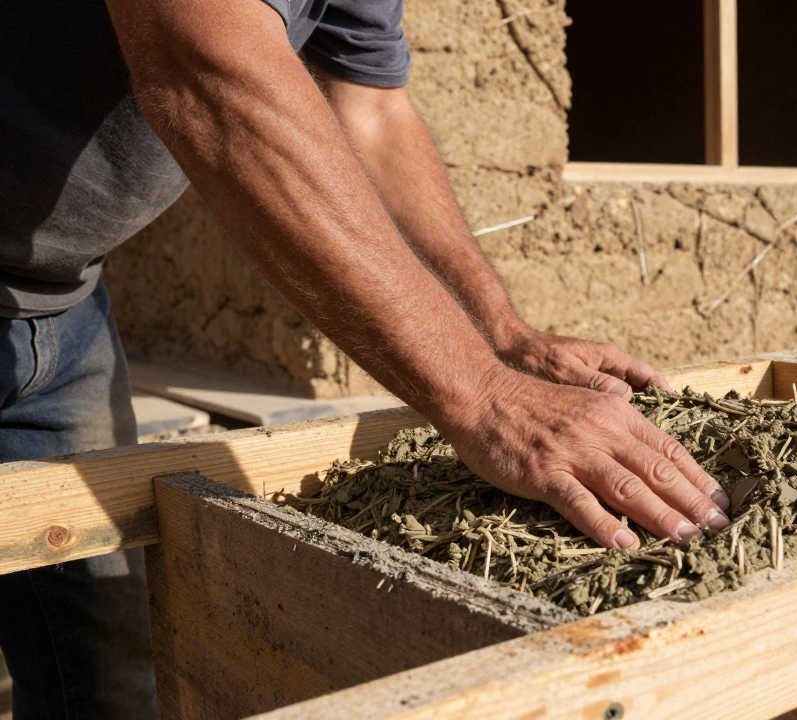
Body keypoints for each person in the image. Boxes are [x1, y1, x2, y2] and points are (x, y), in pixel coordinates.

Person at [0, 0, 731, 716]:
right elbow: (209, 76)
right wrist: (479, 393)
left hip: (57, 307)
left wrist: (501, 336)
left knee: (101, 668)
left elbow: (374, 115)